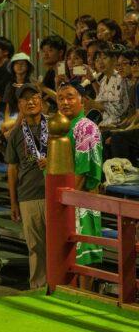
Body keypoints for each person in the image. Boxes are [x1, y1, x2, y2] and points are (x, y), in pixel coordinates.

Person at [56, 80, 104, 285]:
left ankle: (84, 296)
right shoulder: (62, 126)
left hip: (80, 196)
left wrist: (65, 200)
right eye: (60, 98)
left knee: (82, 252)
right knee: (70, 251)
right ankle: (72, 293)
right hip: (68, 195)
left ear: (82, 100)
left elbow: (82, 171)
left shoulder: (86, 127)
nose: (65, 102)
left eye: (70, 97)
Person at [5, 84, 48, 289]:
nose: (30, 102)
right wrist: (13, 202)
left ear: (41, 100)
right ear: (19, 105)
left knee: (57, 243)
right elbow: (12, 170)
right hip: (28, 195)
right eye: (25, 99)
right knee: (35, 246)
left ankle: (60, 285)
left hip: (53, 194)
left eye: (35, 97)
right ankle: (38, 287)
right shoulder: (15, 134)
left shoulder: (56, 126)